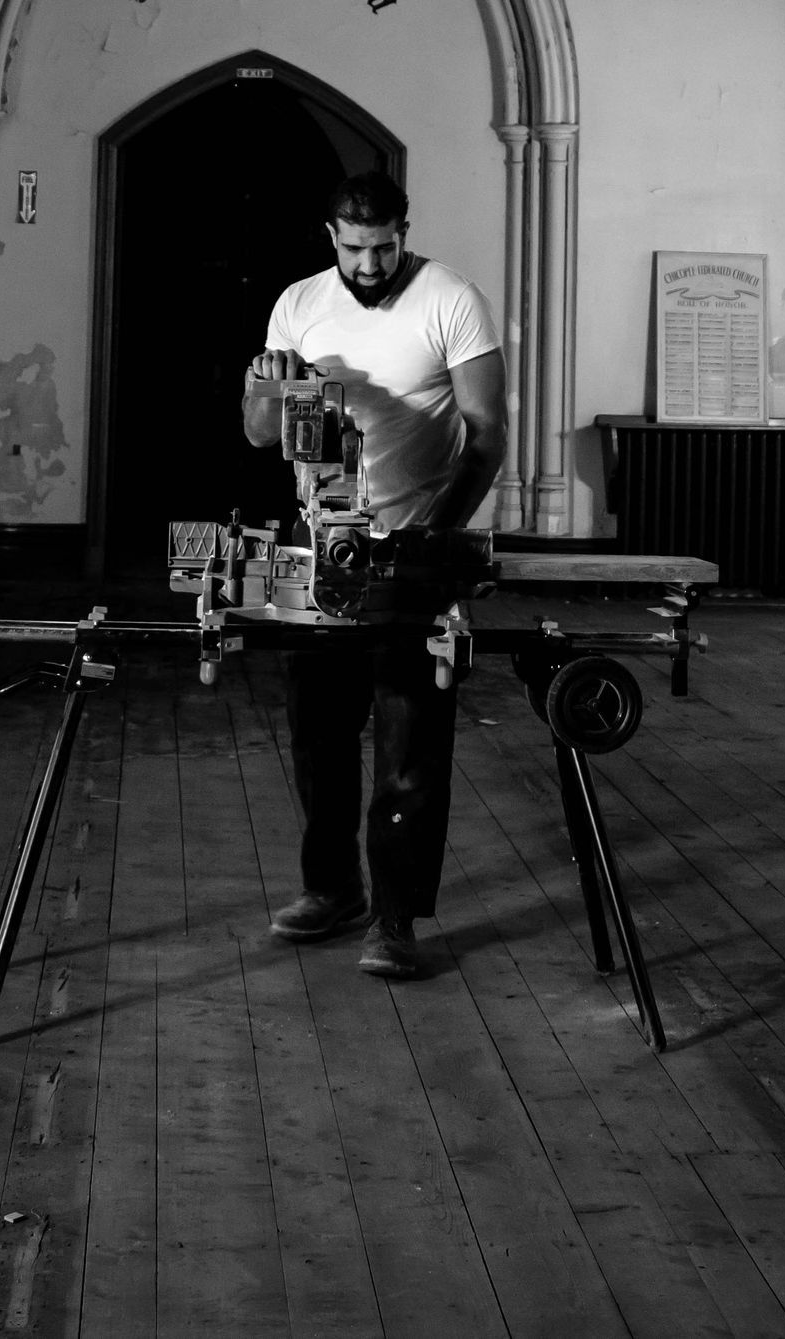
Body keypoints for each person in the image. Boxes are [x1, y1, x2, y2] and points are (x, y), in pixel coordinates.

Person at [240, 169, 506, 980]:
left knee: (409, 740)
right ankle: (332, 891)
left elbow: (487, 435)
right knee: (318, 730)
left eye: (384, 245)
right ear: (332, 236)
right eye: (354, 247)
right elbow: (258, 433)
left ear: (404, 230)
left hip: (412, 546)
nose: (368, 262)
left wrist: (432, 535)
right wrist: (270, 379)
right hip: (320, 545)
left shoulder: (450, 299)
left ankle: (394, 918)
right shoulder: (298, 304)